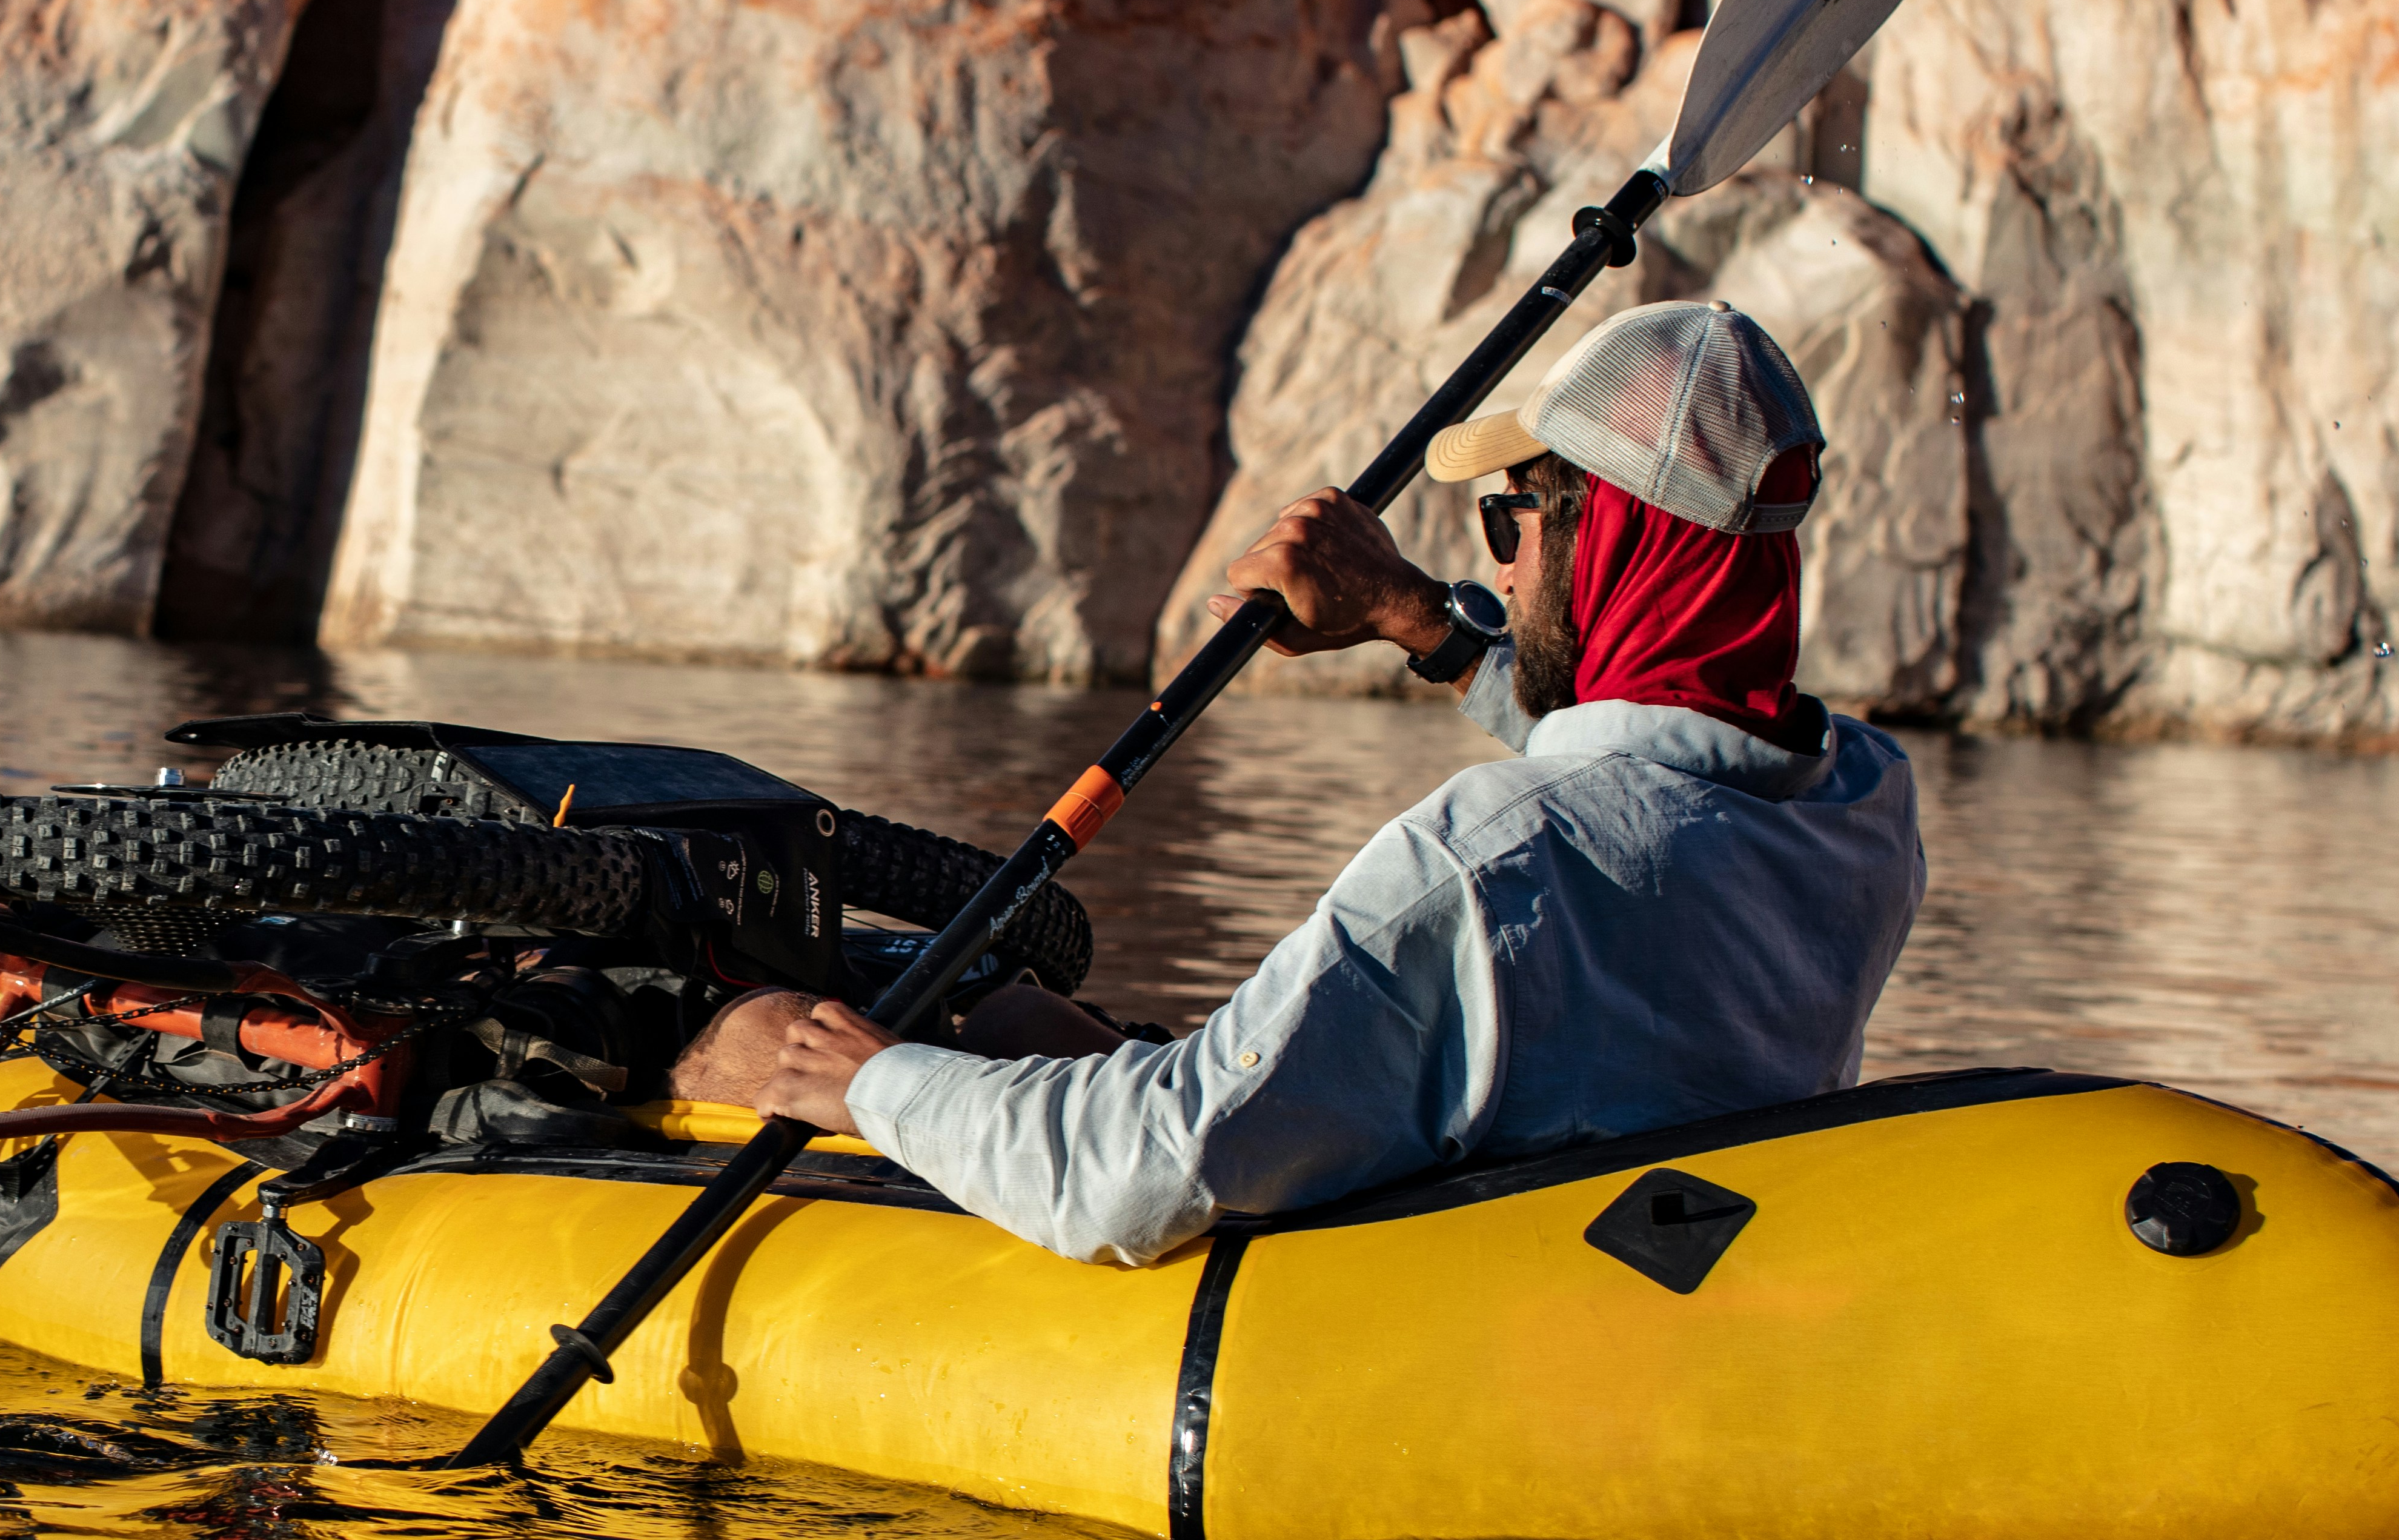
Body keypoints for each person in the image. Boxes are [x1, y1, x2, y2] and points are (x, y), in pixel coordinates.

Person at [671, 300, 1926, 1265]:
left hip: (1416, 1280)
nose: (1505, 555)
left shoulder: (1489, 854)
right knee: (1004, 1018)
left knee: (771, 1033)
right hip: (1626, 1240)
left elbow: (1139, 1175)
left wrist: (865, 1083)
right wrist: (1415, 618)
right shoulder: (1863, 804)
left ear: (1604, 537)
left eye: (1515, 521)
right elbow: (1650, 768)